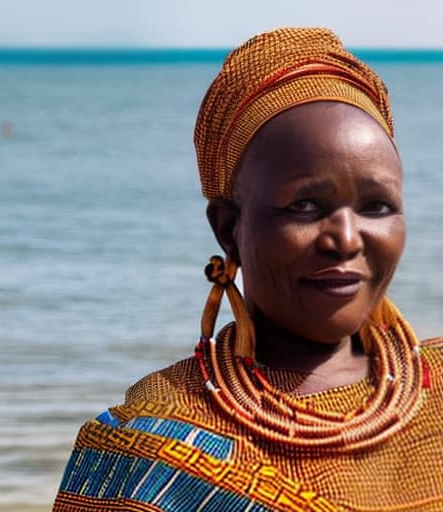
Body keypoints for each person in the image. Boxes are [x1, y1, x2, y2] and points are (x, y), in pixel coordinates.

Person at [52, 27, 443, 511]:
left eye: (377, 206)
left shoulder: (436, 390)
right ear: (229, 227)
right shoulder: (158, 446)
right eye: (304, 205)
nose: (345, 238)